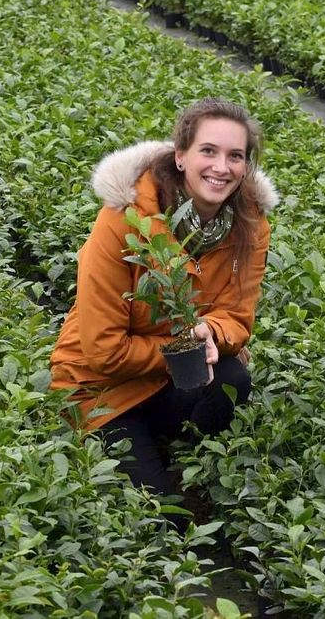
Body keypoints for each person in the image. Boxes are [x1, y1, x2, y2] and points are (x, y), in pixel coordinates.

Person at [50, 98, 277, 500]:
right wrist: (188, 349)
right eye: (208, 151)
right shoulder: (124, 220)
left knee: (233, 378)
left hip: (170, 378)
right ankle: (143, 453)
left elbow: (237, 319)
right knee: (157, 514)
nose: (221, 168)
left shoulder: (251, 225)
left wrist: (211, 332)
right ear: (181, 157)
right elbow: (104, 350)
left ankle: (180, 455)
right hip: (102, 387)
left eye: (235, 156)